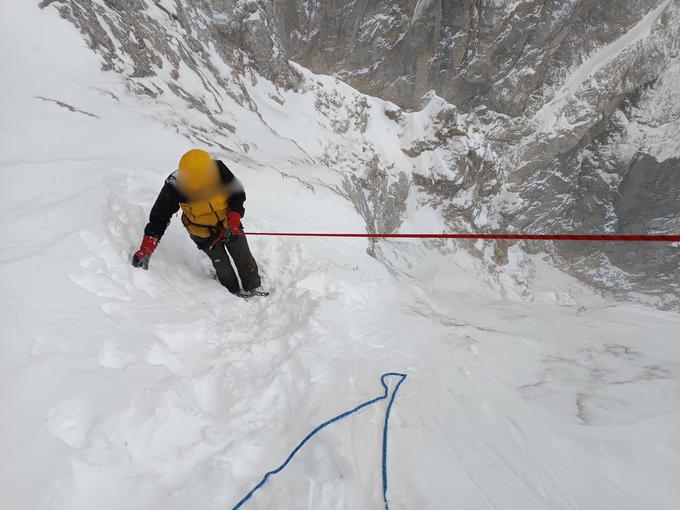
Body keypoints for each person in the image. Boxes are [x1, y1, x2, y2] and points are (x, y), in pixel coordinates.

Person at [131, 149, 265, 297]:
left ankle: (253, 286)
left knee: (243, 255)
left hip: (228, 223)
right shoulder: (175, 185)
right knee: (222, 266)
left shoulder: (219, 170)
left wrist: (233, 220)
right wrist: (147, 246)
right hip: (203, 232)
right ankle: (231, 293)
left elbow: (237, 193)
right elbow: (159, 217)